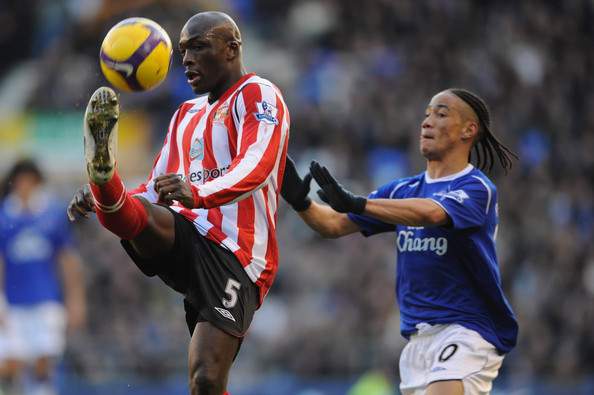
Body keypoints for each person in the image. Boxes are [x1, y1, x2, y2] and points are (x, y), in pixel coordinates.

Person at [67, 11, 289, 395]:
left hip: (238, 254)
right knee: (137, 214)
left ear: (232, 50)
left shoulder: (258, 94)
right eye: (183, 50)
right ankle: (104, 182)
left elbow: (259, 163)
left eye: (198, 47)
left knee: (205, 379)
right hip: (188, 230)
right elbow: (155, 189)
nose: (185, 59)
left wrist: (199, 192)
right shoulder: (186, 114)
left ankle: (108, 189)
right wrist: (103, 197)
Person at [281, 88, 519, 395]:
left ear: (469, 130)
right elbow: (333, 225)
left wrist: (360, 204)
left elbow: (432, 213)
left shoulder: (477, 188)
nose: (427, 122)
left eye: (441, 114)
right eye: (427, 114)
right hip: (417, 341)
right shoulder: (402, 190)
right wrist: (301, 203)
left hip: (468, 330)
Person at [0, 159, 86, 395]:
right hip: (13, 301)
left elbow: (68, 260)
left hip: (46, 299)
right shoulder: (4, 217)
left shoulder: (51, 215)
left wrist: (75, 299)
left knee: (44, 358)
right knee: (11, 362)